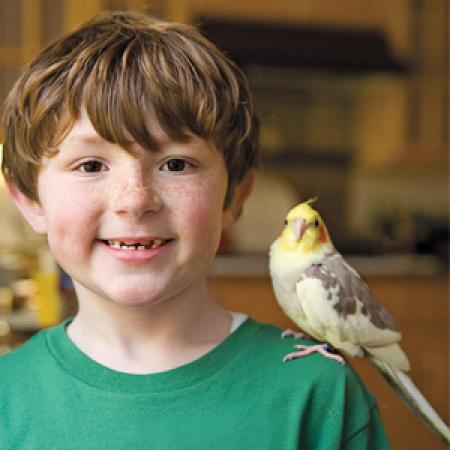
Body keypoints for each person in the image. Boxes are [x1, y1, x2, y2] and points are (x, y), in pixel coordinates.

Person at [0, 11, 391, 449]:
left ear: (235, 197)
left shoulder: (316, 394)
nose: (135, 200)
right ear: (30, 202)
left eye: (176, 164)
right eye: (90, 165)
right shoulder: (6, 399)